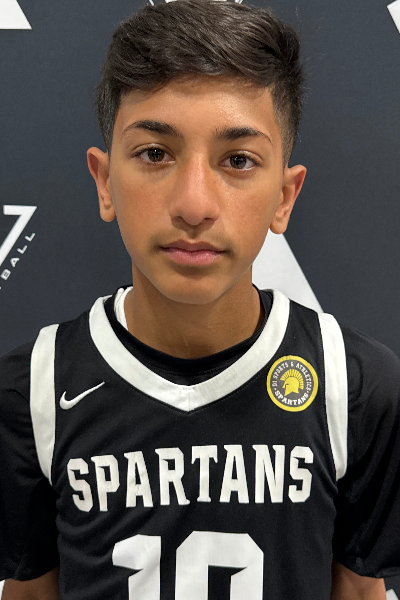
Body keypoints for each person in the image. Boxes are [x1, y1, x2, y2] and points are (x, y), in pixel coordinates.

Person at [0, 1, 399, 598]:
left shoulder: (355, 388)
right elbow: (29, 592)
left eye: (238, 160)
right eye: (155, 153)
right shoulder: (31, 392)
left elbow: (360, 591)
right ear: (105, 182)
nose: (194, 205)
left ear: (284, 197)